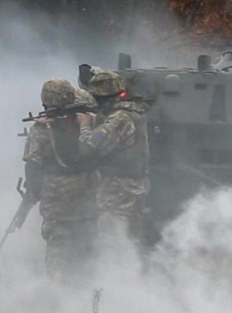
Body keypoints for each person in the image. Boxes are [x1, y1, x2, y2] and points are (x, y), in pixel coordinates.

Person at [22, 79, 101, 280]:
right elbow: (96, 151)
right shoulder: (86, 122)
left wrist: (34, 193)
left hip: (55, 199)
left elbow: (32, 165)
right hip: (85, 196)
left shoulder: (41, 129)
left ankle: (59, 291)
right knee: (86, 246)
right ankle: (88, 291)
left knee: (58, 247)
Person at [77, 69, 150, 241]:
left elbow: (89, 147)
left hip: (118, 189)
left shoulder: (120, 118)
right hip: (130, 186)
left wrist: (84, 124)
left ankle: (115, 268)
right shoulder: (134, 111)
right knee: (128, 239)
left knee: (113, 239)